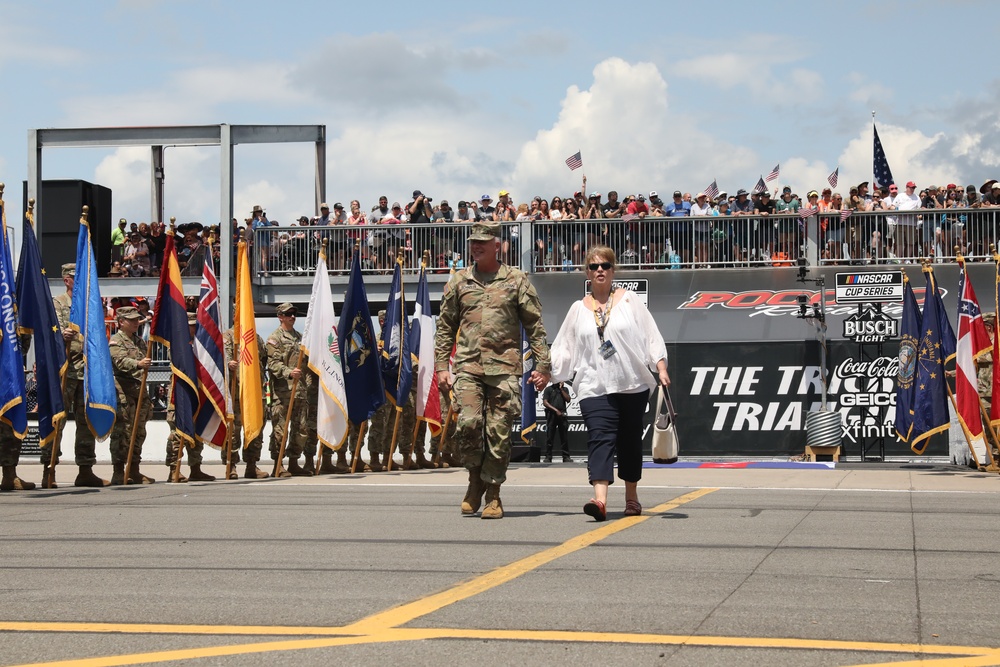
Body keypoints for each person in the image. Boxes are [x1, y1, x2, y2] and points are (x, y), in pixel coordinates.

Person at [435, 222, 550, 519]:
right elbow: (445, 326)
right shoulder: (459, 281)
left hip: (504, 369)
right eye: (473, 241)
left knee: (497, 433)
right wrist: (441, 368)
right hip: (468, 367)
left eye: (483, 242)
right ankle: (474, 482)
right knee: (468, 426)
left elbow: (534, 327)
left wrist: (543, 365)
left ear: (497, 245)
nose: (477, 246)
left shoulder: (516, 280)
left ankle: (493, 494)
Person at [549, 245, 670, 521]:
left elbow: (651, 335)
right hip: (594, 385)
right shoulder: (578, 309)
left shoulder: (629, 301)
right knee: (599, 439)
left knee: (629, 442)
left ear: (613, 270)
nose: (600, 270)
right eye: (594, 267)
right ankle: (599, 500)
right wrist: (549, 372)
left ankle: (631, 497)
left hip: (631, 383)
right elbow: (564, 347)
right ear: (587, 273)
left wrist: (660, 366)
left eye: (605, 265)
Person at [41, 264, 109, 488]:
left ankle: (85, 469)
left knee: (85, 421)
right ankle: (48, 469)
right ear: (67, 280)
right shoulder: (58, 303)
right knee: (57, 421)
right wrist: (64, 334)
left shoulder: (90, 305)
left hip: (86, 371)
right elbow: (53, 331)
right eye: (75, 279)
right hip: (65, 371)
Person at [164, 313, 216, 483]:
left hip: (198, 393)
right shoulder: (177, 343)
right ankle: (174, 469)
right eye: (191, 325)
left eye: (195, 325)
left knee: (196, 433)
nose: (194, 328)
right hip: (180, 394)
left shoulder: (201, 345)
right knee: (177, 433)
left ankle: (196, 468)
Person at [266, 303, 315, 476]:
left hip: (300, 392)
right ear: (280, 316)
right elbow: (273, 363)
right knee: (280, 430)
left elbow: (307, 364)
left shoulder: (300, 338)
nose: (292, 317)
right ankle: (278, 464)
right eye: (288, 314)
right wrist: (288, 372)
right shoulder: (275, 338)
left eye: (294, 314)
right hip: (283, 392)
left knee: (301, 430)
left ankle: (294, 462)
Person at [109, 307, 155, 485]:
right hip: (124, 391)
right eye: (132, 320)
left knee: (139, 432)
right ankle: (119, 471)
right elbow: (119, 361)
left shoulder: (139, 341)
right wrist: (138, 364)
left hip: (139, 391)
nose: (136, 322)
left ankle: (134, 470)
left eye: (137, 319)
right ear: (121, 322)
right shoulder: (116, 341)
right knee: (123, 432)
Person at [223, 327, 270, 479]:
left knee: (255, 429)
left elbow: (263, 359)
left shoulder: (256, 337)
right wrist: (228, 364)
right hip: (235, 392)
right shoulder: (228, 337)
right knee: (233, 431)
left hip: (254, 391)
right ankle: (231, 465)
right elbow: (220, 359)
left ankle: (251, 465)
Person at [542, 381, 572, 463]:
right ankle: (548, 456)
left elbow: (568, 399)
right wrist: (555, 410)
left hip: (562, 415)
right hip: (551, 415)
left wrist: (561, 389)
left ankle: (566, 457)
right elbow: (545, 402)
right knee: (550, 437)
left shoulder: (565, 389)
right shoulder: (549, 389)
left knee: (564, 437)